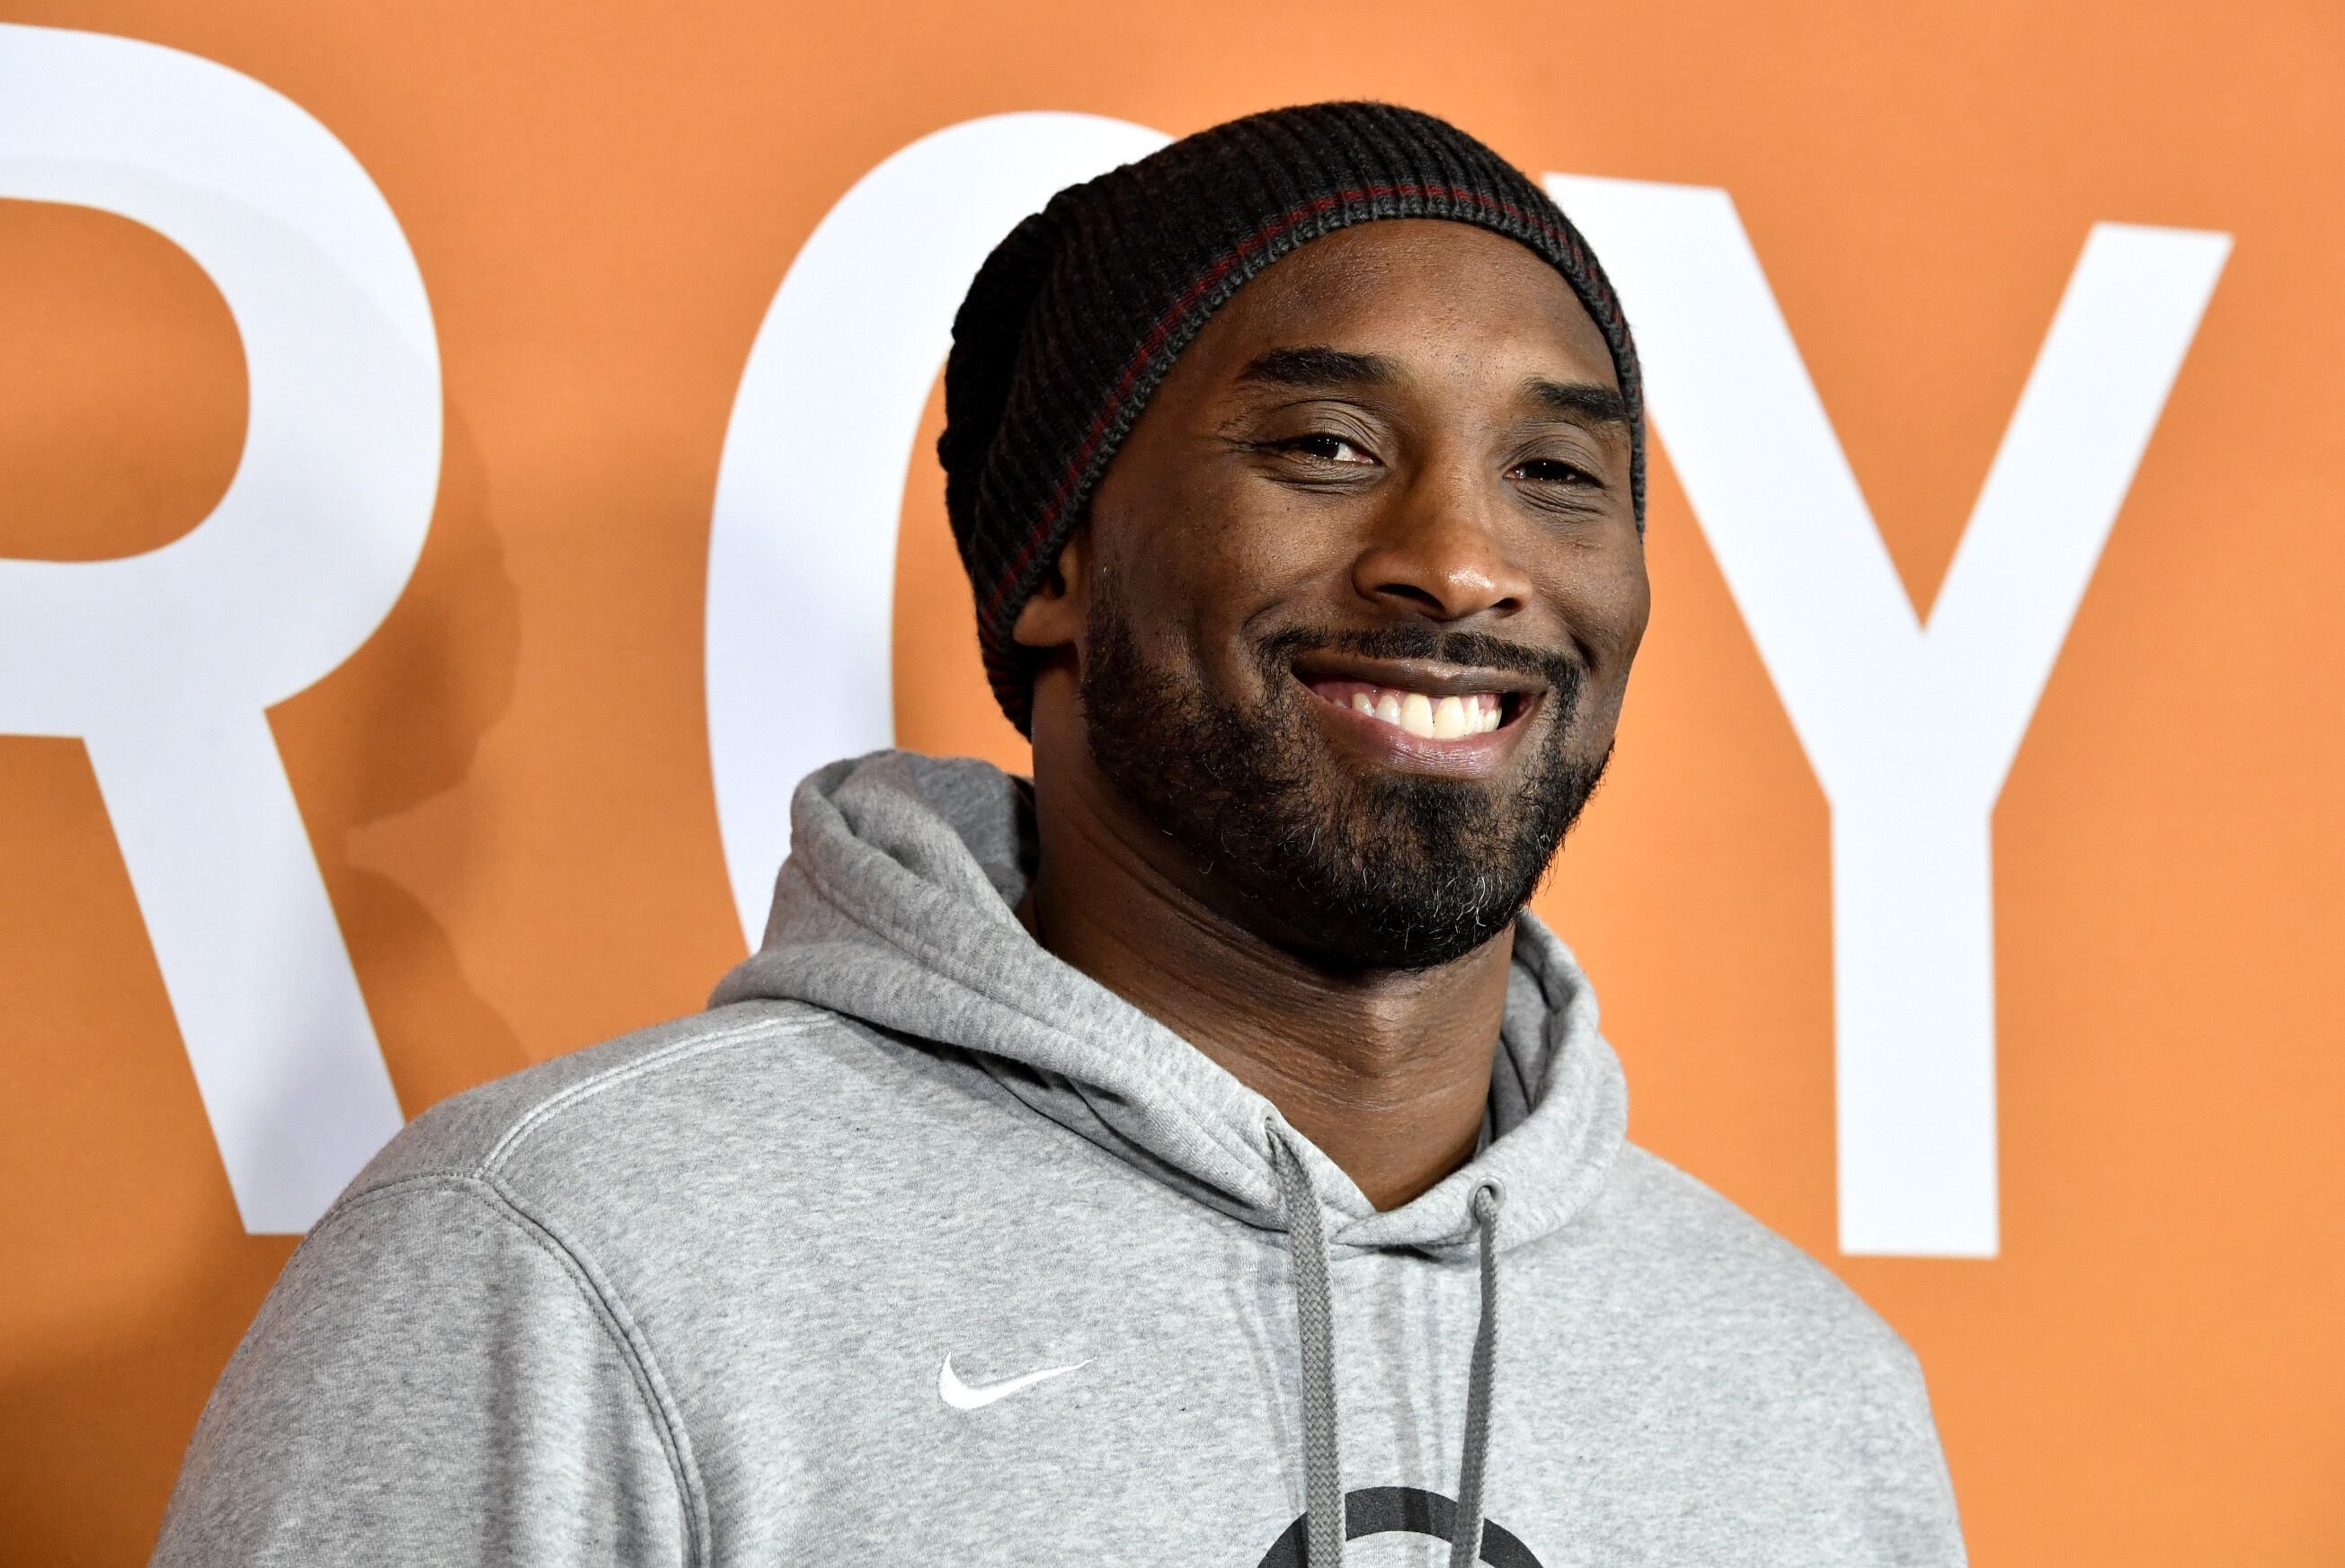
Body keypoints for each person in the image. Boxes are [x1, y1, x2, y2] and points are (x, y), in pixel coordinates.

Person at [153, 102, 1966, 1566]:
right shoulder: (573, 1266)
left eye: (1558, 475)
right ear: (1060, 573)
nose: (1465, 559)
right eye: (1329, 447)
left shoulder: (1813, 1401)